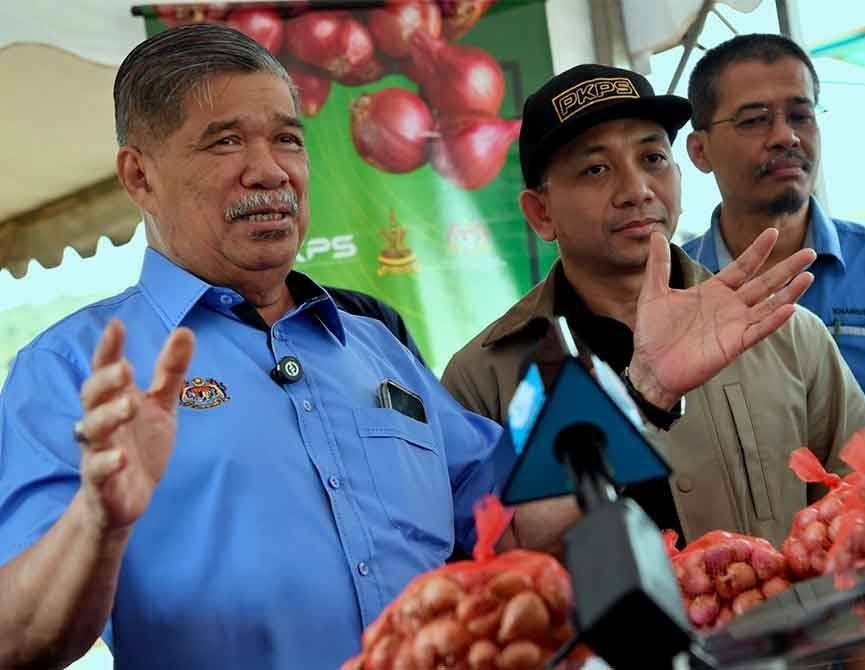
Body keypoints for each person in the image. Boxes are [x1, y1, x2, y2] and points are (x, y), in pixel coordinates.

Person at [0, 26, 822, 670]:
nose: (271, 171)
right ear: (139, 176)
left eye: (287, 139)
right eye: (224, 143)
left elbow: (515, 528)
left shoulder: (375, 350)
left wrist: (638, 387)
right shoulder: (73, 371)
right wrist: (98, 524)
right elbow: (21, 638)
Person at [442, 62, 865, 554]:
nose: (637, 190)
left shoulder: (785, 334)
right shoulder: (483, 379)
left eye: (654, 158)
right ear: (541, 212)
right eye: (596, 169)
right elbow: (484, 571)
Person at [680, 33, 865, 670]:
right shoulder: (673, 304)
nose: (786, 135)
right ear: (699, 150)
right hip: (755, 628)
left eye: (800, 113)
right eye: (755, 119)